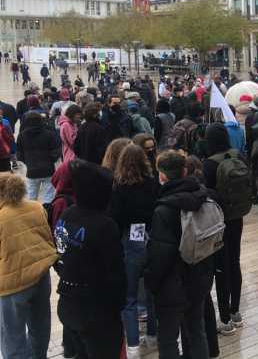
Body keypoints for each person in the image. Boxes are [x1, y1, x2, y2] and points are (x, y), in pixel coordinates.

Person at [54, 159, 126, 358]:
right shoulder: (105, 225)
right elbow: (115, 272)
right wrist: (118, 305)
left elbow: (59, 252)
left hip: (67, 301)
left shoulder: (67, 214)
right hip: (96, 308)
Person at [146, 150, 214, 359]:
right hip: (200, 276)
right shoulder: (204, 197)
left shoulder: (163, 209)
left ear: (162, 176)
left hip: (172, 284)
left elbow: (160, 255)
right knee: (196, 330)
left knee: (168, 338)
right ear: (185, 171)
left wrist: (152, 283)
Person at [0, 173, 57, 359]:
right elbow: (47, 237)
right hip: (41, 276)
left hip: (12, 285)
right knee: (40, 327)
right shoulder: (36, 207)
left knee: (13, 337)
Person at [109, 145, 159, 358]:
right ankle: (153, 335)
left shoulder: (119, 188)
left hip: (129, 243)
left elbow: (115, 219)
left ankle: (132, 346)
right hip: (151, 239)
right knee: (151, 293)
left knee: (128, 298)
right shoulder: (153, 183)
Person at [203, 124, 249, 335]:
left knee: (221, 268)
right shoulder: (237, 154)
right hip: (237, 216)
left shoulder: (210, 164)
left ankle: (224, 319)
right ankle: (236, 312)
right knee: (235, 262)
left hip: (218, 220)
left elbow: (207, 193)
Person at [16, 112, 61, 204]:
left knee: (31, 197)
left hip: (32, 170)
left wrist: (27, 161)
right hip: (48, 169)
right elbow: (56, 150)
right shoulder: (49, 134)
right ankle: (47, 214)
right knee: (49, 197)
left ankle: (33, 215)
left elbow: (19, 153)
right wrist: (51, 160)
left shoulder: (22, 135)